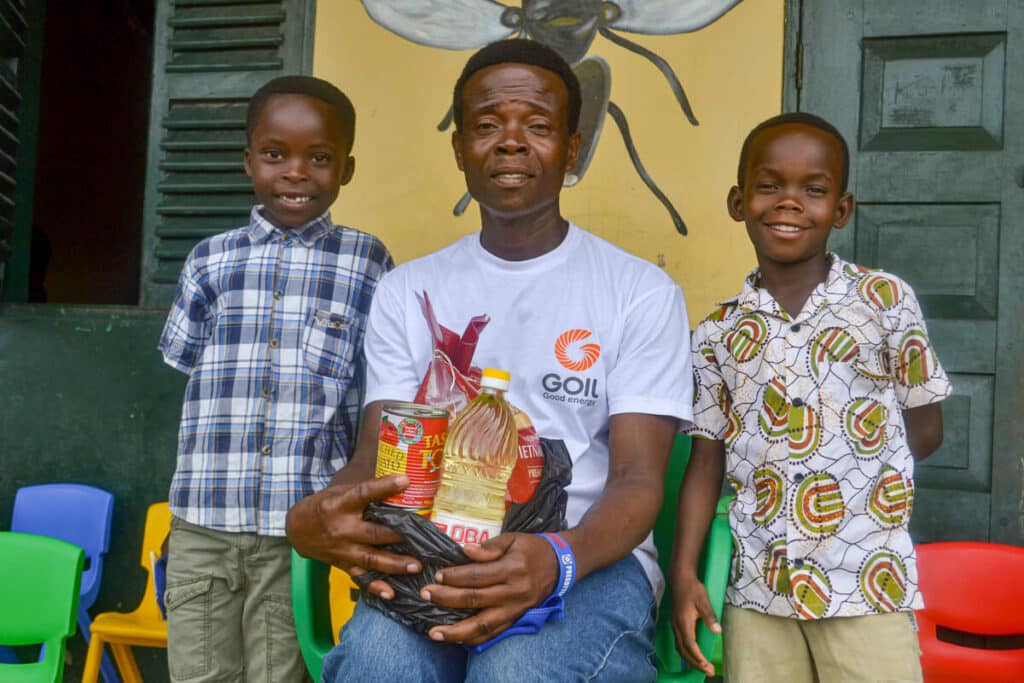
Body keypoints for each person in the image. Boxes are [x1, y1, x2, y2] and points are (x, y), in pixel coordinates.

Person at [286, 39, 693, 682]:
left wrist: (559, 558)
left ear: (573, 148)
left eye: (537, 125)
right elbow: (378, 456)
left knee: (515, 671)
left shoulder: (638, 292)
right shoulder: (408, 291)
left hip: (587, 560)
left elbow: (639, 481)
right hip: (433, 554)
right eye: (485, 126)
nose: (510, 142)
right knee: (374, 666)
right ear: (459, 150)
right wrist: (315, 514)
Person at [670, 112, 951, 682]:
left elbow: (925, 429)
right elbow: (706, 459)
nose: (789, 203)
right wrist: (684, 571)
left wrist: (857, 487)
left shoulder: (885, 300)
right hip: (759, 591)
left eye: (813, 190)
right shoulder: (717, 333)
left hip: (864, 582)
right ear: (737, 200)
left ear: (841, 210)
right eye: (769, 185)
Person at [158, 75, 393, 682]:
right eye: (274, 154)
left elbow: (381, 381)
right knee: (198, 674)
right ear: (248, 162)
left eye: (318, 158)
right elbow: (186, 360)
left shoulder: (368, 261)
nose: (295, 172)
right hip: (203, 519)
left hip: (300, 525)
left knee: (280, 675)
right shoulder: (209, 259)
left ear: (347, 169)